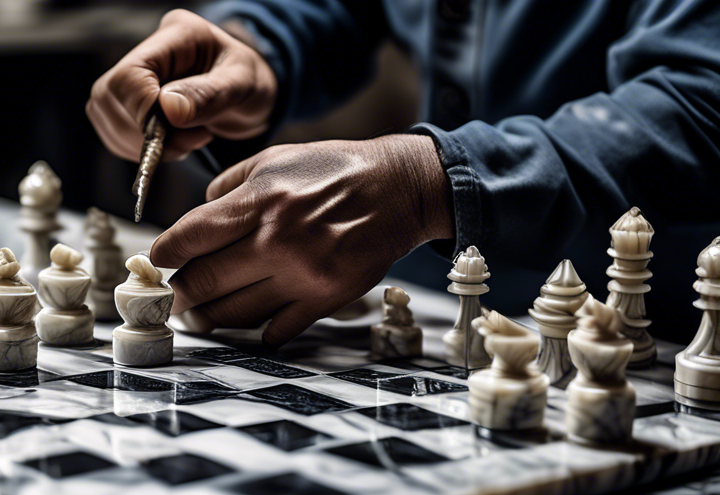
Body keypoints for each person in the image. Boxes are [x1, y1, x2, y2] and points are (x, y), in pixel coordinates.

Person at [86, 2, 720, 348]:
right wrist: (257, 45)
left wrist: (427, 185)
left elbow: (702, 100)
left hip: (646, 345)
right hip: (429, 310)